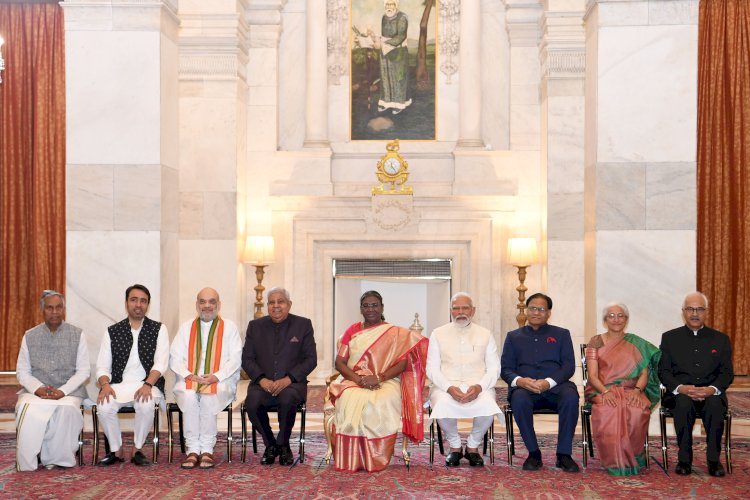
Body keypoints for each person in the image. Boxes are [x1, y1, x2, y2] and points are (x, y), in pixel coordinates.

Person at [326, 290, 428, 472]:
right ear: (360, 309)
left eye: (374, 305)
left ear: (382, 308)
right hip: (354, 378)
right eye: (366, 306)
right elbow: (340, 363)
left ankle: (375, 457)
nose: (370, 309)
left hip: (386, 379)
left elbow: (403, 363)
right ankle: (352, 458)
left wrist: (379, 377)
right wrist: (359, 380)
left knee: (381, 401)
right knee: (348, 400)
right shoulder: (352, 330)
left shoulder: (394, 333)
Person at [500, 292, 580, 473]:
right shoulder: (513, 336)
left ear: (549, 313)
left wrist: (548, 382)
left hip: (556, 387)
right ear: (526, 310)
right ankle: (534, 453)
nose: (536, 312)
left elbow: (568, 366)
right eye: (533, 308)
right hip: (525, 389)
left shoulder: (562, 334)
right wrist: (520, 381)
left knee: (571, 397)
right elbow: (505, 369)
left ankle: (564, 454)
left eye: (541, 309)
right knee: (519, 399)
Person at [658, 291, 734, 477]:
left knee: (715, 405)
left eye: (699, 309)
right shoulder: (669, 338)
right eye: (690, 309)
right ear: (683, 311)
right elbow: (664, 371)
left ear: (706, 312)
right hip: (681, 393)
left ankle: (714, 461)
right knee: (683, 404)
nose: (694, 313)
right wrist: (681, 388)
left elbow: (727, 373)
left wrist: (711, 389)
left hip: (711, 393)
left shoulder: (721, 339)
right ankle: (684, 461)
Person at [15, 290, 90, 471]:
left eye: (58, 307)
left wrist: (62, 391)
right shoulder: (30, 335)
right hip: (36, 392)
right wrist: (38, 389)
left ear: (63, 309)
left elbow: (83, 371)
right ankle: (28, 461)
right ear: (42, 310)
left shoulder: (77, 334)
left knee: (66, 410)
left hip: (69, 391)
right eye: (50, 308)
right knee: (27, 408)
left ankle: (57, 458)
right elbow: (22, 372)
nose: (54, 312)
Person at [242, 287, 317, 466]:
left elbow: (311, 359)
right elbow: (247, 359)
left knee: (287, 399)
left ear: (289, 305)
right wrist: (262, 380)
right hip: (262, 383)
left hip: (292, 384)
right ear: (267, 306)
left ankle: (283, 444)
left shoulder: (303, 325)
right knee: (252, 403)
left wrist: (288, 379)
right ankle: (271, 444)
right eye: (271, 302)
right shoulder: (255, 326)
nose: (276, 306)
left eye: (280, 302)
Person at [96, 284, 169, 466]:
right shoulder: (112, 331)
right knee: (104, 406)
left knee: (145, 403)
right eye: (134, 300)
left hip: (147, 384)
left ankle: (137, 449)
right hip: (118, 384)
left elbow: (161, 363)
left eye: (143, 301)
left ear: (148, 305)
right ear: (126, 303)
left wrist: (147, 385)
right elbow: (102, 367)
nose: (138, 304)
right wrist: (105, 386)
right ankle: (116, 450)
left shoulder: (159, 329)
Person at [584, 303, 660, 475]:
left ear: (626, 319)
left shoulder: (637, 343)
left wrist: (637, 391)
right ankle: (613, 461)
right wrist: (605, 392)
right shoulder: (596, 341)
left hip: (632, 390)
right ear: (605, 320)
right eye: (611, 316)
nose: (616, 319)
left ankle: (634, 458)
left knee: (637, 409)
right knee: (608, 409)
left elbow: (644, 373)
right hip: (601, 389)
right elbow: (593, 376)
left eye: (620, 316)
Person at [170, 287, 242, 469]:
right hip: (190, 378)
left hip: (221, 380)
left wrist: (216, 376)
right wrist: (189, 375)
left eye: (212, 302)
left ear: (219, 305)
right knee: (189, 395)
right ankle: (193, 449)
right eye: (203, 302)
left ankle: (207, 449)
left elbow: (235, 359)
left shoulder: (230, 327)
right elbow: (174, 358)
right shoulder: (186, 328)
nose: (207, 306)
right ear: (197, 305)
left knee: (209, 395)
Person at [426, 292, 501, 467]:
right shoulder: (438, 333)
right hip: (446, 385)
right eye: (456, 308)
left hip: (478, 384)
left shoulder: (485, 334)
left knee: (488, 404)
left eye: (465, 308)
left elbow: (494, 368)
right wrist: (449, 388)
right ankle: (455, 446)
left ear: (473, 310)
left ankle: (473, 446)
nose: (460, 312)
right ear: (450, 311)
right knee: (442, 404)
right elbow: (432, 368)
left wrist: (480, 387)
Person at [374, 0, 411, 115]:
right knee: (385, 76)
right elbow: (383, 34)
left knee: (398, 77)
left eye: (392, 4)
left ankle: (399, 104)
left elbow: (401, 36)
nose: (389, 7)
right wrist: (377, 40)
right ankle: (386, 102)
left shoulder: (402, 17)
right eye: (387, 4)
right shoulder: (384, 17)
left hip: (398, 51)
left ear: (396, 5)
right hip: (384, 51)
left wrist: (385, 43)